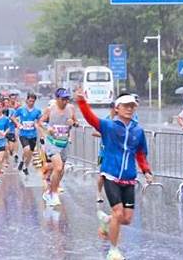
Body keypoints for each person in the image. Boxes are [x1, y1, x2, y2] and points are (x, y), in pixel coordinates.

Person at [75, 89, 153, 260]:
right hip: (111, 175)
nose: (129, 109)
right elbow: (91, 119)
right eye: (125, 106)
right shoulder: (109, 126)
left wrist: (146, 170)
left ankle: (106, 221)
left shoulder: (138, 131)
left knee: (127, 219)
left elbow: (140, 153)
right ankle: (113, 249)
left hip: (129, 179)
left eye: (132, 106)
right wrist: (82, 102)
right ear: (117, 108)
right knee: (118, 213)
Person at [39, 88, 78, 206]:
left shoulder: (71, 108)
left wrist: (74, 123)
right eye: (63, 99)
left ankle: (49, 192)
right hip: (52, 142)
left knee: (61, 171)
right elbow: (40, 122)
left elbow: (76, 122)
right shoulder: (50, 109)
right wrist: (48, 128)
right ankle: (54, 194)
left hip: (63, 142)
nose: (65, 101)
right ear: (57, 99)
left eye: (67, 99)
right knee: (59, 167)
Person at [12, 92, 42, 176]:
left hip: (33, 135)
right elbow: (13, 117)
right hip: (23, 134)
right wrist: (18, 124)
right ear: (26, 100)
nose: (31, 103)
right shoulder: (21, 109)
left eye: (33, 101)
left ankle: (25, 167)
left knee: (30, 153)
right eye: (30, 101)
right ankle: (22, 161)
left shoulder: (37, 111)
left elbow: (40, 121)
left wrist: (37, 124)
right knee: (26, 149)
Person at [93, 101, 116, 203]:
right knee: (102, 174)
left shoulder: (121, 121)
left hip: (115, 153)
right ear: (111, 109)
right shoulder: (105, 121)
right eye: (115, 109)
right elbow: (94, 132)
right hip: (103, 153)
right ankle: (98, 193)